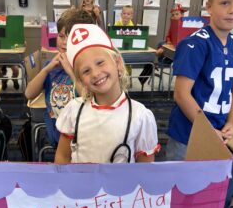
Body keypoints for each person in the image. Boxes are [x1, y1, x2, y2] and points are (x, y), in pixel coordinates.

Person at [166, 0, 233, 161]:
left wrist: (231, 122)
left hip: (219, 131)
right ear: (209, 7)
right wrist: (207, 132)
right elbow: (181, 93)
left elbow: (232, 88)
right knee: (181, 184)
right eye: (225, 2)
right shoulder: (195, 44)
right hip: (189, 135)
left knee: (208, 185)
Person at [55, 24, 160, 164]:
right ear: (81, 80)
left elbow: (145, 170)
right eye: (86, 71)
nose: (96, 73)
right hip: (81, 185)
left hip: (121, 186)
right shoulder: (74, 110)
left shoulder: (140, 116)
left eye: (100, 62)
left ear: (117, 63)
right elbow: (62, 157)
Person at [25, 9, 94, 148]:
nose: (64, 42)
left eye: (71, 38)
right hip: (57, 137)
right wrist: (47, 69)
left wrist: (70, 72)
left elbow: (91, 100)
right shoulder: (51, 69)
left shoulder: (89, 69)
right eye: (61, 36)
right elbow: (29, 94)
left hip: (83, 141)